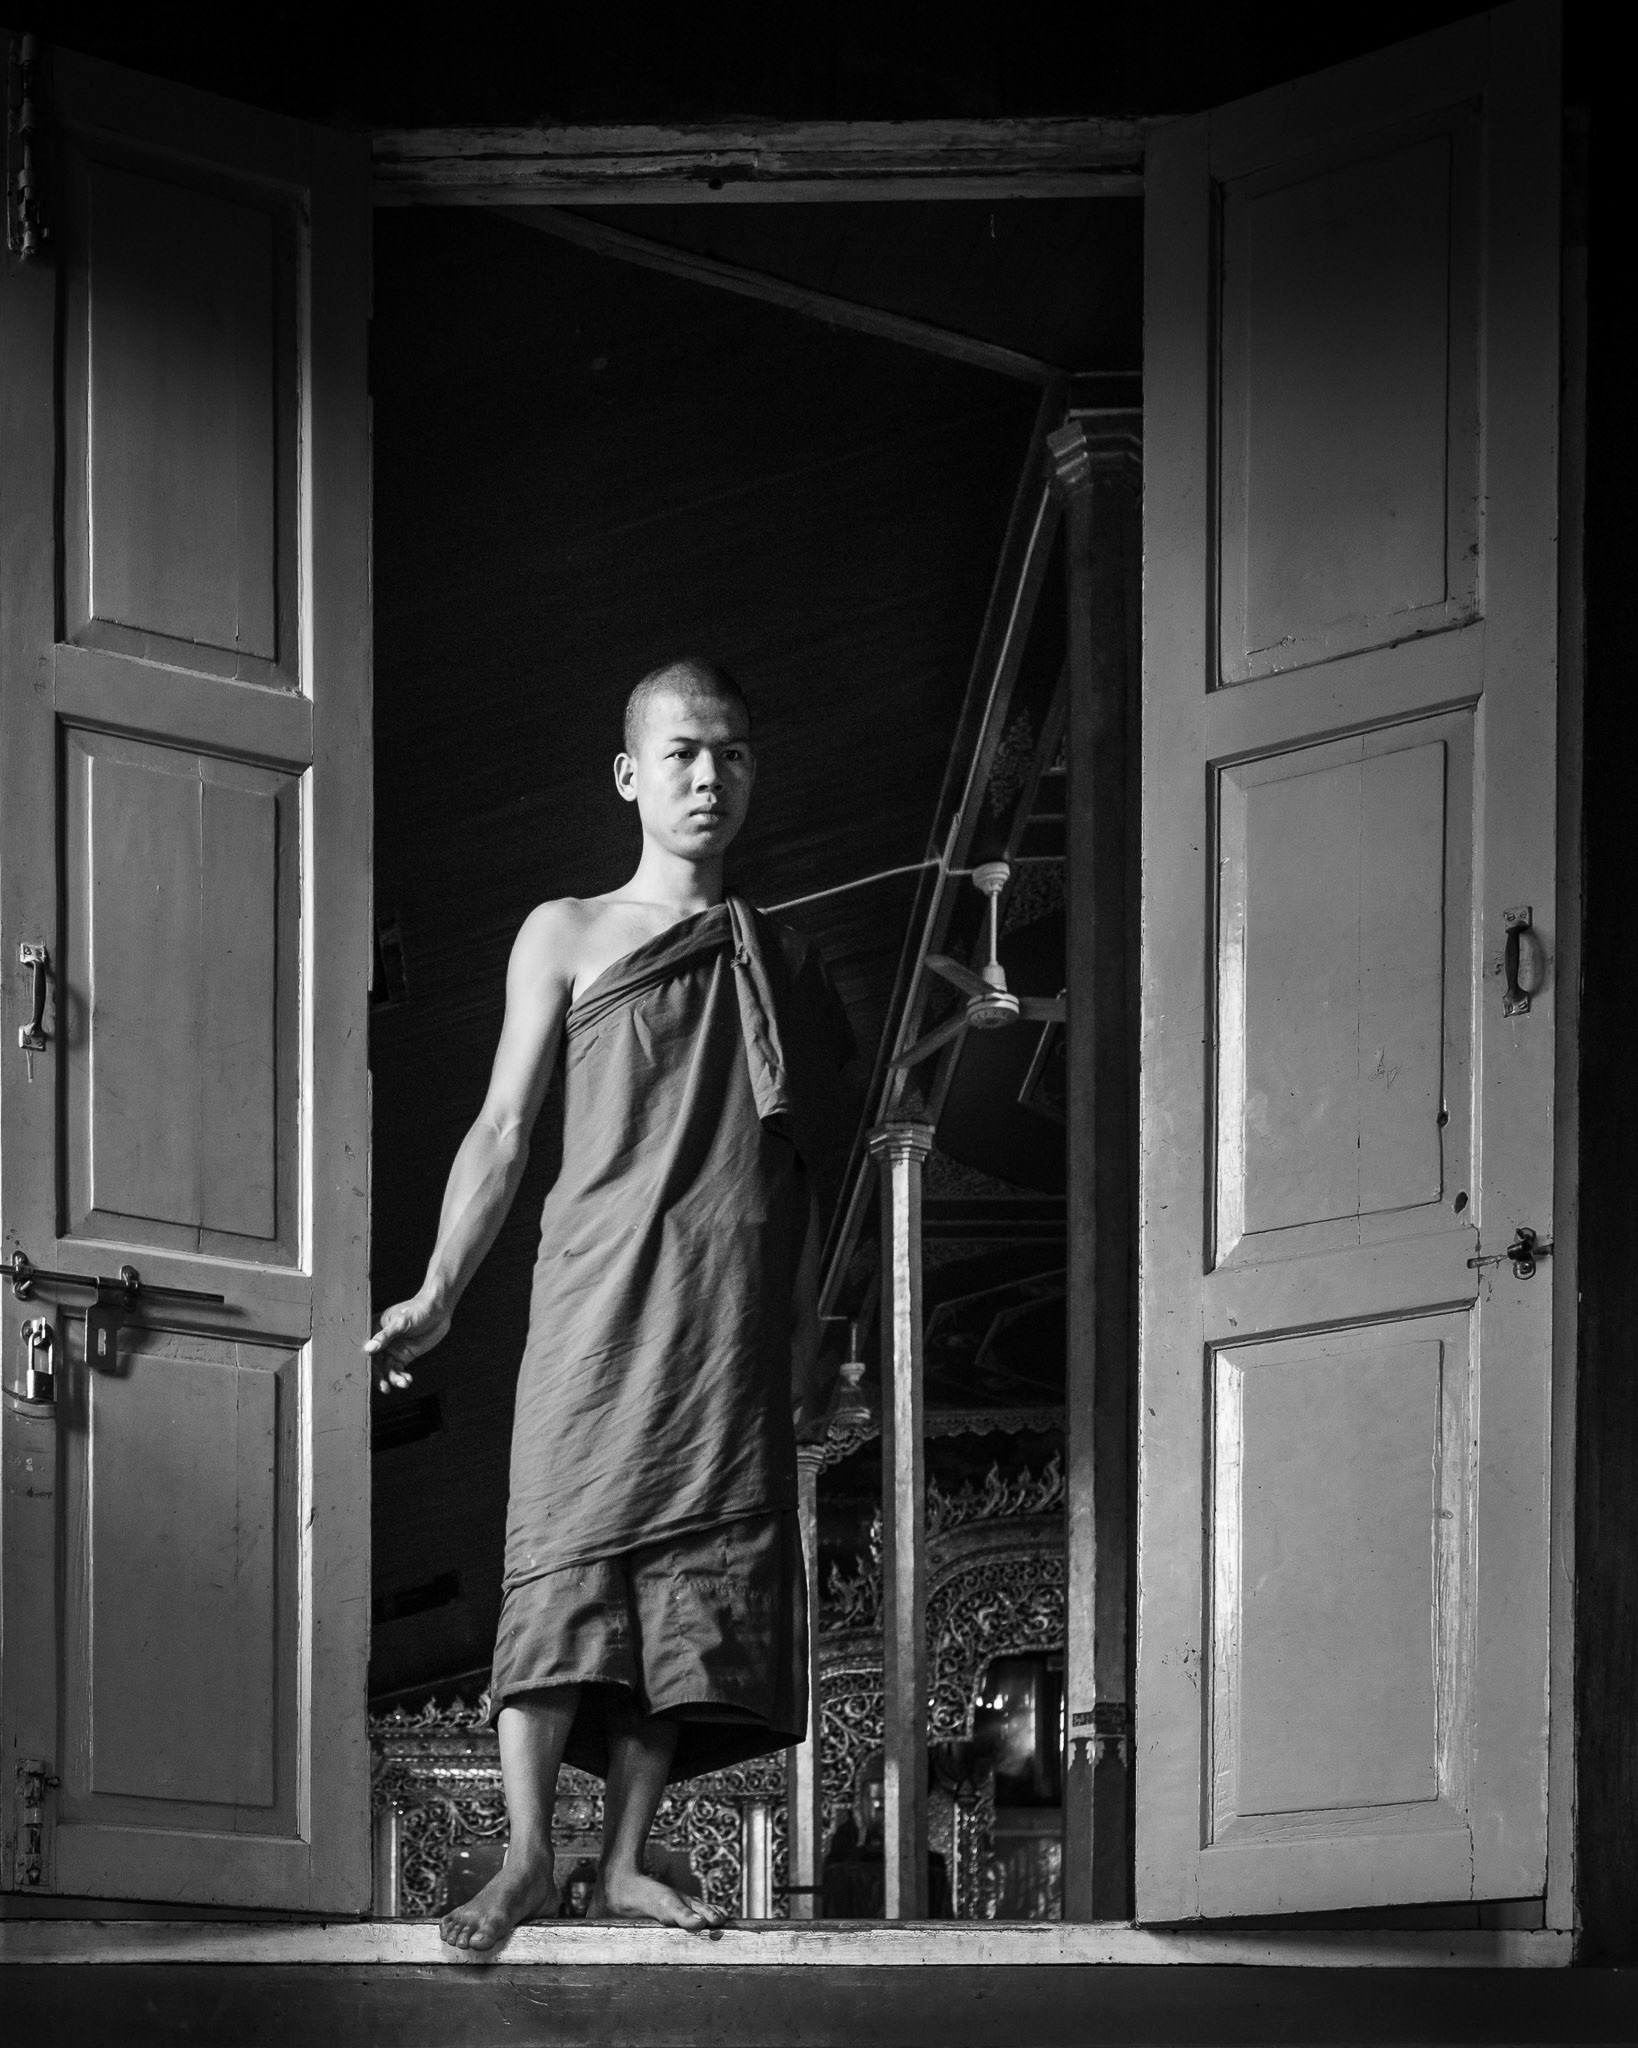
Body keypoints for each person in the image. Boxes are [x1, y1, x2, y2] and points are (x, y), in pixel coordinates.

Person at [367, 658, 853, 1951]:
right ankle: (529, 1858)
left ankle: (627, 1859)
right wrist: (440, 1287)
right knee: (563, 1550)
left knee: (691, 1578)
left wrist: (806, 1332)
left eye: (732, 752)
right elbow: (502, 1128)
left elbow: (807, 1168)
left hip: (728, 1310)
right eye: (683, 752)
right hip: (594, 1294)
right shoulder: (568, 930)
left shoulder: (786, 961)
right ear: (630, 775)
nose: (710, 776)